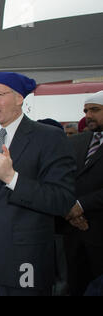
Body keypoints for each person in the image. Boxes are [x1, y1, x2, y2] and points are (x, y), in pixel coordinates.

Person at [0, 71, 76, 295]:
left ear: (19, 98)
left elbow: (62, 200)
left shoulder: (49, 138)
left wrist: (12, 178)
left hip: (25, 261)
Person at [60, 90, 103, 296]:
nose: (88, 115)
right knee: (75, 285)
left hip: (99, 230)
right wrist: (70, 208)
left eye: (95, 110)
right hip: (73, 231)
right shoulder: (76, 142)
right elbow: (62, 178)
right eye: (86, 110)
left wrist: (81, 206)